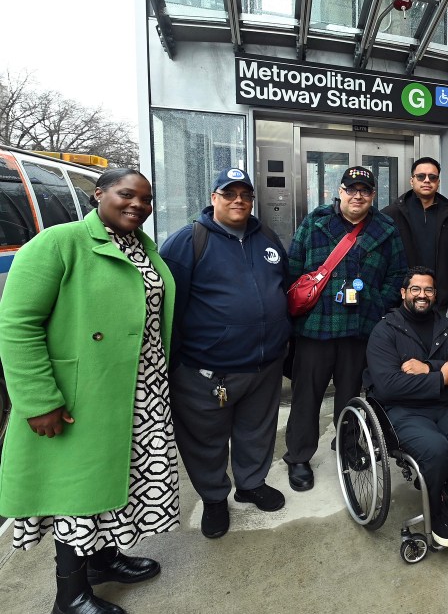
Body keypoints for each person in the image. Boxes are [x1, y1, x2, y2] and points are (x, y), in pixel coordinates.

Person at [0, 169, 177, 614]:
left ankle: (103, 560)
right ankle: (71, 596)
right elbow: (17, 325)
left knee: (117, 479)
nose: (137, 204)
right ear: (99, 194)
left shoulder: (141, 248)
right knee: (76, 494)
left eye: (145, 199)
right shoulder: (59, 242)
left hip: (141, 390)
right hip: (82, 396)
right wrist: (38, 400)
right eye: (126, 194)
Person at [159, 168, 291, 539]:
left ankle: (251, 484)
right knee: (206, 440)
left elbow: (282, 286)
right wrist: (175, 362)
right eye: (229, 193)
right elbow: (167, 308)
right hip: (206, 370)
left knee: (257, 432)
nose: (238, 200)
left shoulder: (266, 237)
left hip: (263, 365)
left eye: (245, 195)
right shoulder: (188, 241)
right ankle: (215, 498)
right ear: (213, 198)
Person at [284, 166, 406, 492]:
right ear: (340, 192)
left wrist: (376, 304)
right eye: (351, 189)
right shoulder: (315, 222)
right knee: (306, 396)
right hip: (316, 328)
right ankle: (298, 456)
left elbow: (397, 275)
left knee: (351, 394)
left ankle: (348, 444)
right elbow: (293, 268)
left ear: (373, 195)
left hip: (359, 328)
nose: (357, 196)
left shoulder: (386, 229)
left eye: (364, 190)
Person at [364, 268, 448, 548]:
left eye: (428, 290)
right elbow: (388, 386)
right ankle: (435, 510)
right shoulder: (384, 331)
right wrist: (442, 378)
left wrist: (429, 368)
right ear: (404, 293)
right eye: (416, 289)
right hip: (403, 411)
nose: (422, 295)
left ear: (435, 295)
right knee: (436, 448)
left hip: (447, 406)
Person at [382, 157, 448, 311]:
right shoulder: (391, 215)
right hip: (401, 300)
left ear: (438, 182)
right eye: (421, 176)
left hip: (436, 299)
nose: (427, 180)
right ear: (412, 181)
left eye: (432, 177)